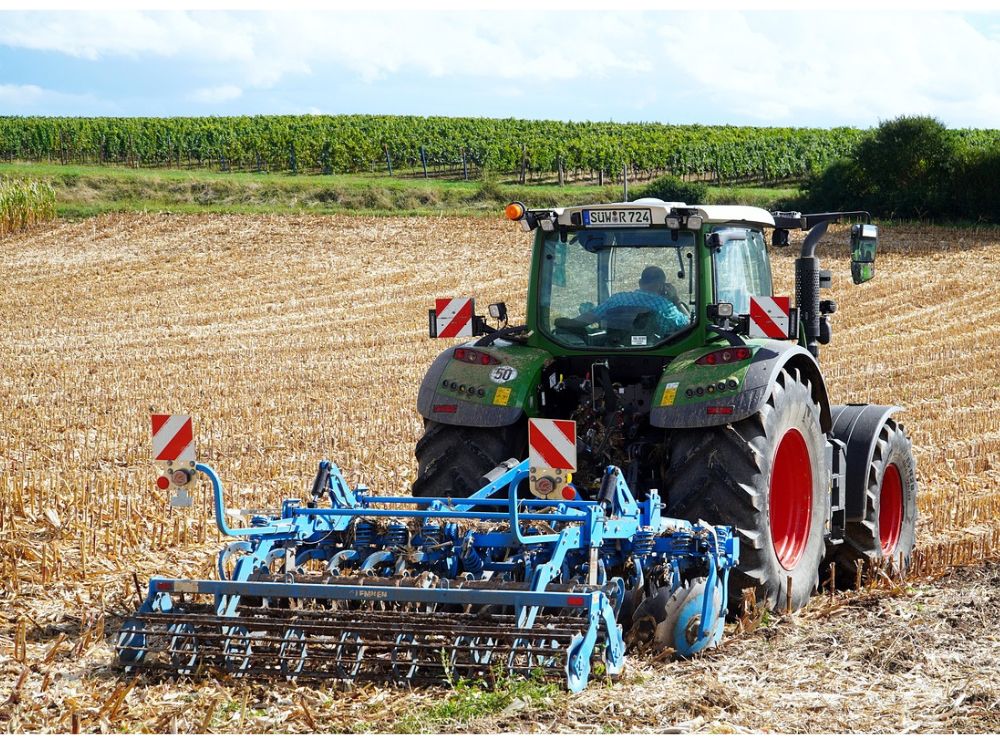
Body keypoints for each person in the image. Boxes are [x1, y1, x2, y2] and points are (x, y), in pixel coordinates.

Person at [575, 265, 689, 334]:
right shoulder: (664, 306)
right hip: (653, 355)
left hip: (614, 353)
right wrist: (676, 300)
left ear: (640, 283)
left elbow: (590, 317)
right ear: (661, 286)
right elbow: (688, 326)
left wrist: (567, 323)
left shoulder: (617, 299)